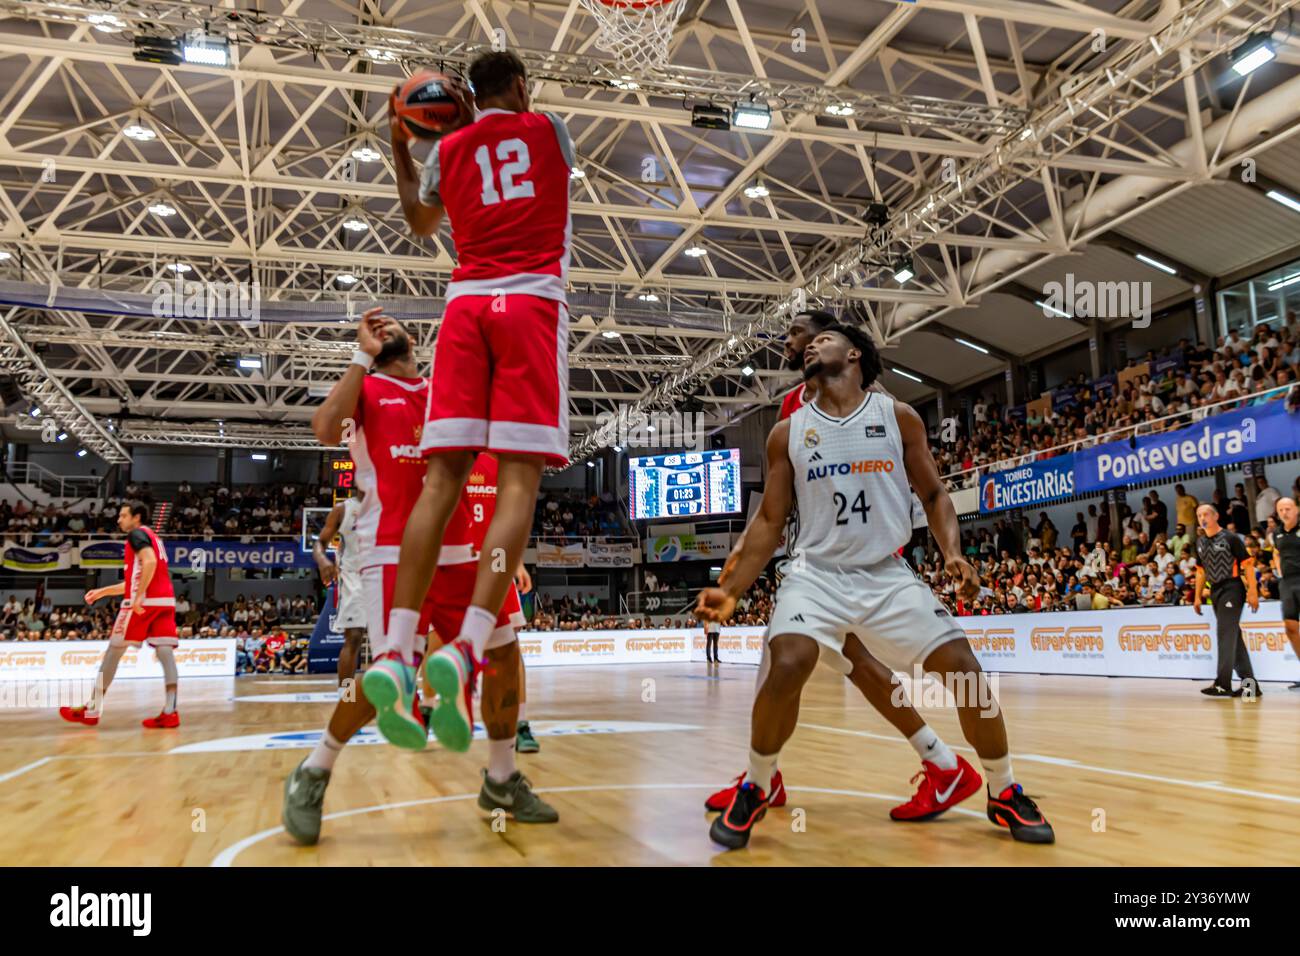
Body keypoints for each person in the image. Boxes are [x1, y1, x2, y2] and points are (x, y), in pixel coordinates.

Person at [696, 324, 1052, 848]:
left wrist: (952, 552)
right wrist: (732, 589)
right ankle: (756, 783)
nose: (812, 344)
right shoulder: (786, 431)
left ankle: (1004, 790)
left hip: (885, 574)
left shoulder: (897, 416)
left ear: (855, 353)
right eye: (807, 340)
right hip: (815, 575)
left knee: (966, 672)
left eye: (823, 338)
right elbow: (770, 520)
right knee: (789, 660)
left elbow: (933, 494)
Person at [281, 312, 553, 846]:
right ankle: (314, 771)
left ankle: (500, 778)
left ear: (416, 338)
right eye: (372, 324)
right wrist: (360, 357)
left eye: (393, 320)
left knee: (503, 655)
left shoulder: (443, 390)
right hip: (393, 552)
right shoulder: (366, 389)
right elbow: (321, 428)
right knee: (390, 675)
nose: (384, 323)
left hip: (462, 550)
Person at [386, 50, 573, 754]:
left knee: (441, 481)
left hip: (465, 307)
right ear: (521, 88)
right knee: (518, 482)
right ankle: (465, 648)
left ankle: (397, 650)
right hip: (530, 304)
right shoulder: (551, 129)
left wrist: (402, 143)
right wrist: (483, 115)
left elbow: (421, 224)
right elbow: (519, 136)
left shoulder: (449, 150)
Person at [59, 503, 180, 728]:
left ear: (137, 517)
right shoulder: (155, 537)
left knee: (113, 651)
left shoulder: (136, 534)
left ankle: (92, 709)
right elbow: (139, 576)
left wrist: (139, 595)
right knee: (165, 653)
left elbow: (149, 563)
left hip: (143, 603)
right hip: (165, 600)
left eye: (123, 515)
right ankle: (171, 711)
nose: (119, 520)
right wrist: (103, 591)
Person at [1192, 504, 1261, 698]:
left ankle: (1222, 683)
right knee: (1233, 639)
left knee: (1224, 633)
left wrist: (1253, 591)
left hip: (1232, 588)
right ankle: (1251, 686)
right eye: (1199, 515)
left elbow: (1248, 565)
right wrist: (1197, 596)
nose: (1202, 517)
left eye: (1206, 514)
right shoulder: (1199, 542)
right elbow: (1200, 570)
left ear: (1216, 516)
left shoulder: (1230, 538)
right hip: (1214, 591)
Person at [312, 489, 367, 685]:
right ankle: (347, 696)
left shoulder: (388, 503)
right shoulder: (343, 509)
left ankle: (390, 699)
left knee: (389, 641)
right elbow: (320, 543)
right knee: (353, 637)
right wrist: (322, 560)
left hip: (384, 573)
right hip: (353, 577)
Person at [1271, 496, 1300, 690]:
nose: (1285, 513)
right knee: (1290, 628)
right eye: (1281, 510)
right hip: (1288, 583)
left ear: (1296, 509)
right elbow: (1276, 552)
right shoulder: (1276, 533)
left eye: (1288, 508)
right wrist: (1279, 572)